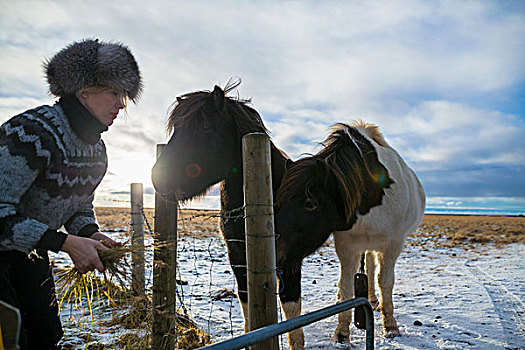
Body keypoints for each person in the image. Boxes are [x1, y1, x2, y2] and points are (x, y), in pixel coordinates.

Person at [0, 39, 143, 349]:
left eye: (125, 96)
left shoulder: (96, 151)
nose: (121, 104)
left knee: (46, 335)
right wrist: (64, 243)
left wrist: (90, 234)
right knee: (9, 335)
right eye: (115, 92)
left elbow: (77, 206)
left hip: (29, 255)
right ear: (84, 90)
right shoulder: (31, 133)